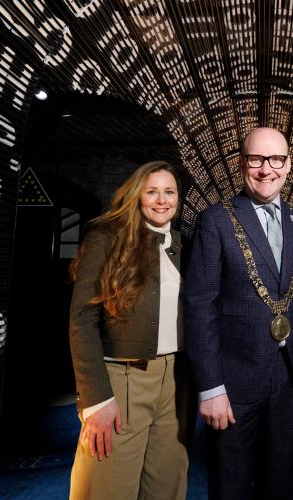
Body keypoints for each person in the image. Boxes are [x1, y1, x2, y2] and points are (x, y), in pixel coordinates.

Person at [184, 127, 293, 499]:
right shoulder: (216, 220)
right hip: (233, 382)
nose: (265, 169)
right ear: (242, 163)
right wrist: (210, 387)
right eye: (256, 159)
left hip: (287, 378)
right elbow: (198, 305)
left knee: (280, 481)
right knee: (231, 484)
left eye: (276, 159)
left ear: (288, 165)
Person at [68, 161, 190, 500]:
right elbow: (81, 319)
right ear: (137, 196)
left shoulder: (184, 244)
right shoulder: (106, 238)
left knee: (167, 486)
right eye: (152, 191)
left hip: (175, 383)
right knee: (109, 488)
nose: (161, 200)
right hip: (121, 379)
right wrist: (95, 399)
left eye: (169, 192)